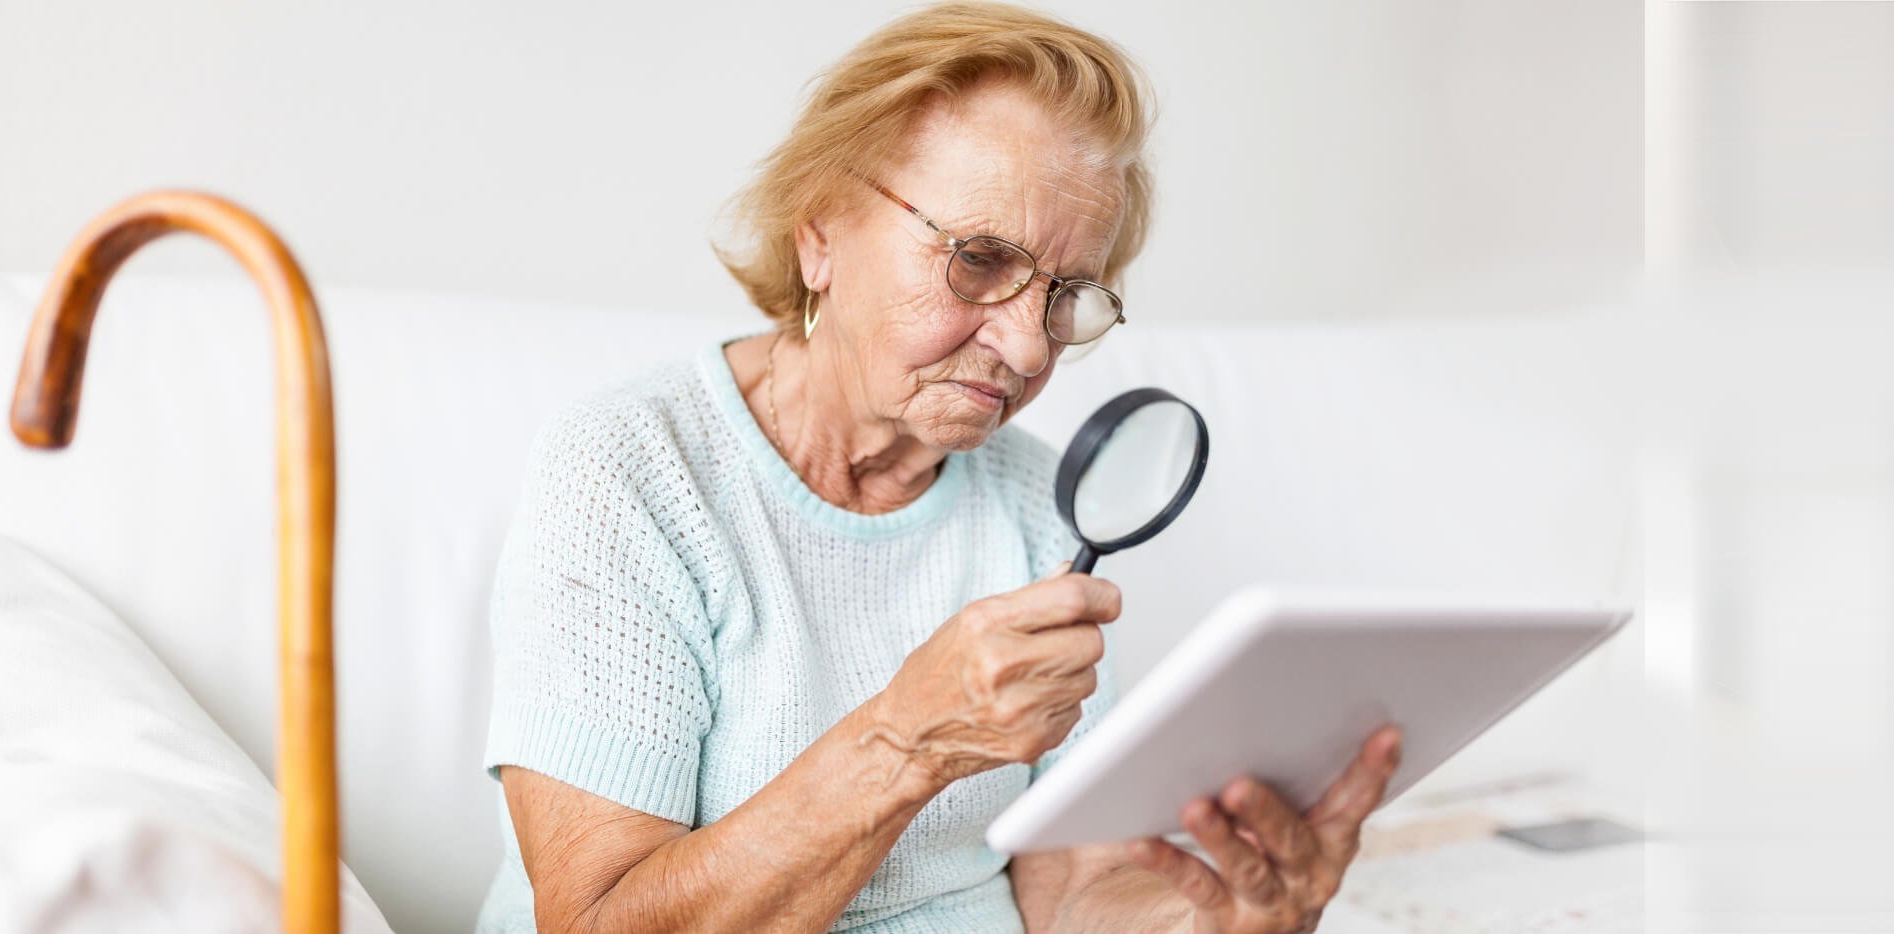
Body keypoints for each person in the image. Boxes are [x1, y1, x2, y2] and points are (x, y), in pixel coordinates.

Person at [477, 3, 1401, 930]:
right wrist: (907, 741)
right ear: (819, 232)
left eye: (1067, 298)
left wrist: (1223, 919)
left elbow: (1071, 888)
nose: (1028, 350)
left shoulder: (1043, 506)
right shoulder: (631, 474)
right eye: (981, 259)